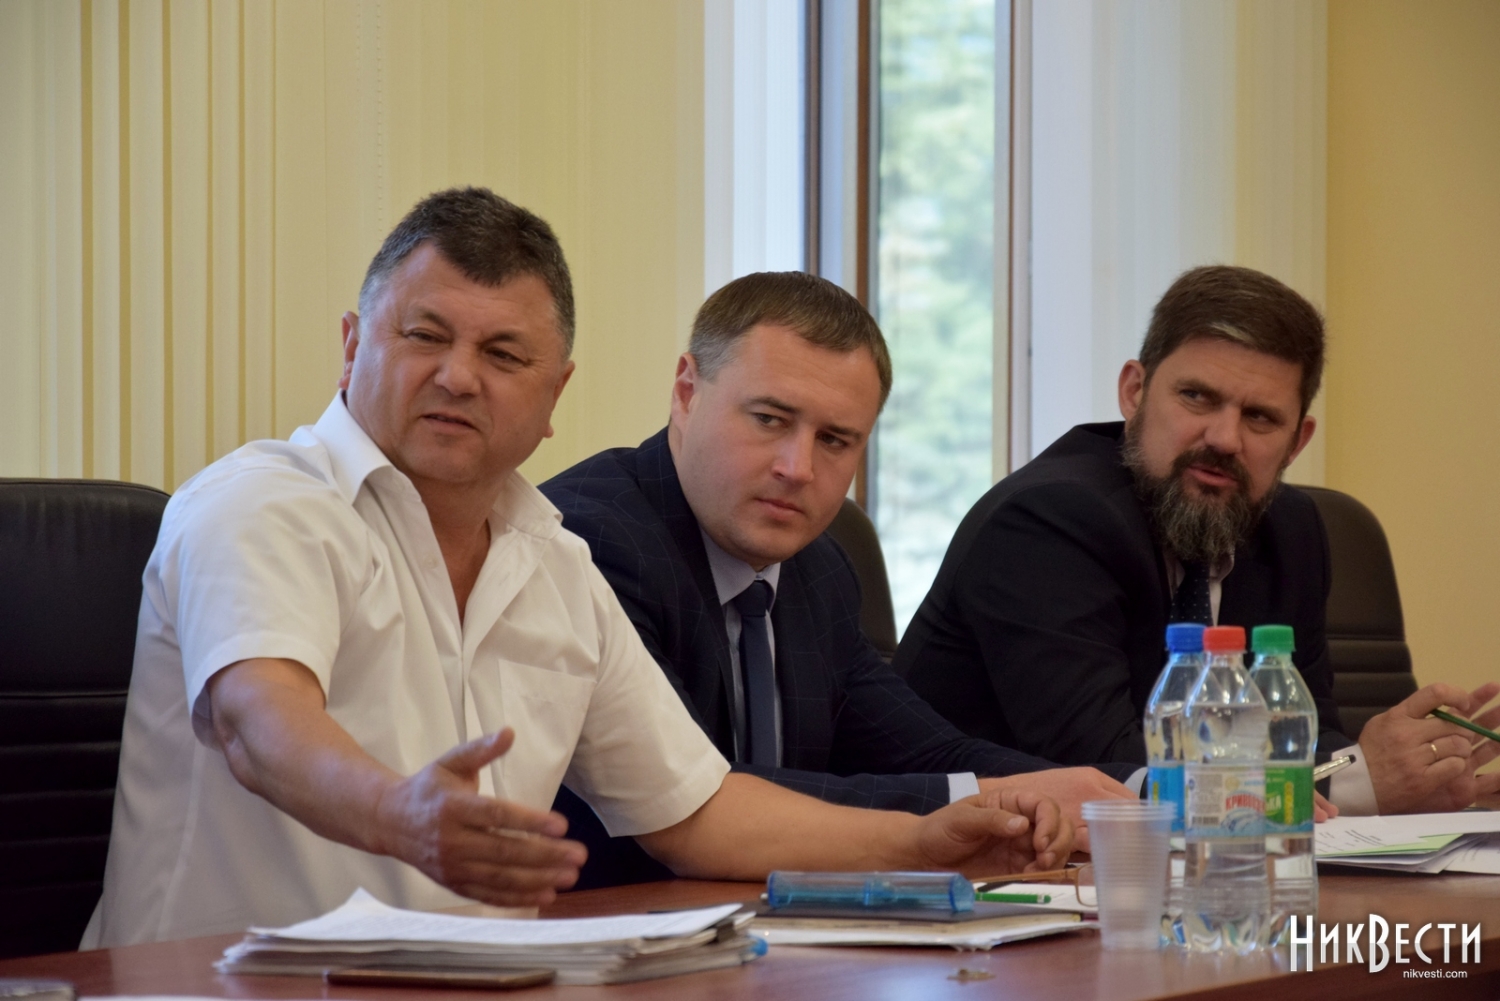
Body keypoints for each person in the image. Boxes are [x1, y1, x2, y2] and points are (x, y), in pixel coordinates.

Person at [83, 188, 1071, 948]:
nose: (458, 374)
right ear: (351, 346)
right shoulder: (262, 503)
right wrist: (397, 813)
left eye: (504, 354)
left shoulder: (556, 562)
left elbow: (699, 811)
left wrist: (925, 839)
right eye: (424, 334)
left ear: (554, 396)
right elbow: (258, 724)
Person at [540, 272, 1134, 886]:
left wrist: (1104, 794)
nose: (798, 468)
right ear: (687, 393)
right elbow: (700, 795)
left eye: (834, 439)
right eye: (769, 419)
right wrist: (992, 803)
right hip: (605, 921)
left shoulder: (819, 567)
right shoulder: (588, 541)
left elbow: (928, 750)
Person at [897, 264, 1500, 816]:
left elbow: (1303, 736)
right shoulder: (1048, 520)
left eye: (1260, 417)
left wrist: (1420, 774)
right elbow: (1109, 765)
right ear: (1134, 392)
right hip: (978, 870)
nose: (1224, 438)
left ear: (1296, 442)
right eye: (1197, 397)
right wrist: (1360, 783)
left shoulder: (1293, 531)